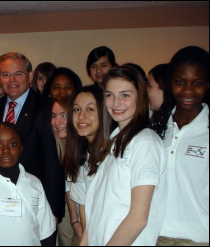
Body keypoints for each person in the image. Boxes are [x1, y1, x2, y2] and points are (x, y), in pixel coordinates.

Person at [80, 65, 168, 245]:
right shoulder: (112, 141)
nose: (116, 103)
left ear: (140, 97)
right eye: (109, 95)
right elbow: (97, 209)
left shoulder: (145, 143)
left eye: (125, 95)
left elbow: (138, 218)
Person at [0, 52, 65, 226]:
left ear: (30, 76)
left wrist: (53, 210)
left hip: (36, 202)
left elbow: (53, 162)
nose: (12, 80)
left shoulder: (46, 107)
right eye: (6, 74)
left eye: (18, 74)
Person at [154, 46, 209, 246]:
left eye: (198, 83)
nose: (187, 90)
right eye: (180, 82)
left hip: (199, 239)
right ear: (170, 83)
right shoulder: (157, 129)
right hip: (155, 235)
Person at [64, 86, 112, 244]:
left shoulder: (115, 153)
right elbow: (83, 207)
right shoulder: (81, 155)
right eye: (76, 109)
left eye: (90, 109)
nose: (81, 116)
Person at [51, 95, 80, 246]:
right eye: (54, 116)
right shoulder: (61, 147)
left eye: (64, 115)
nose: (58, 122)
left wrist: (76, 220)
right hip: (72, 210)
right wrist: (74, 220)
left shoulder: (83, 147)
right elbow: (68, 186)